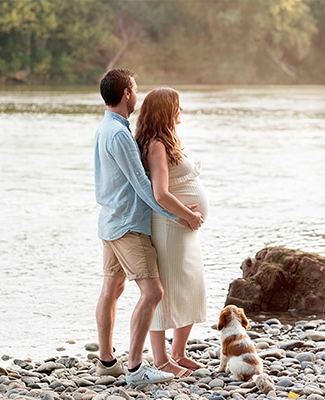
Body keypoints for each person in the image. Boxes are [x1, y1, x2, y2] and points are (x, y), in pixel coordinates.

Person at [93, 69, 204, 385]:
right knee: (153, 291)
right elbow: (143, 186)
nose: (137, 95)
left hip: (110, 221)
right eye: (135, 89)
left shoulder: (105, 129)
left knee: (111, 289)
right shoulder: (119, 135)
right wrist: (178, 215)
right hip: (128, 224)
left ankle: (106, 361)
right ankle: (135, 367)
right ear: (127, 93)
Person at [135, 87, 209, 378]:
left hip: (184, 228)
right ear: (166, 111)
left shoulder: (168, 140)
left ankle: (179, 352)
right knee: (166, 294)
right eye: (177, 106)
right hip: (170, 227)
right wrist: (189, 214)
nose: (182, 111)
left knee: (191, 286)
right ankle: (162, 359)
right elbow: (160, 193)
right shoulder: (155, 145)